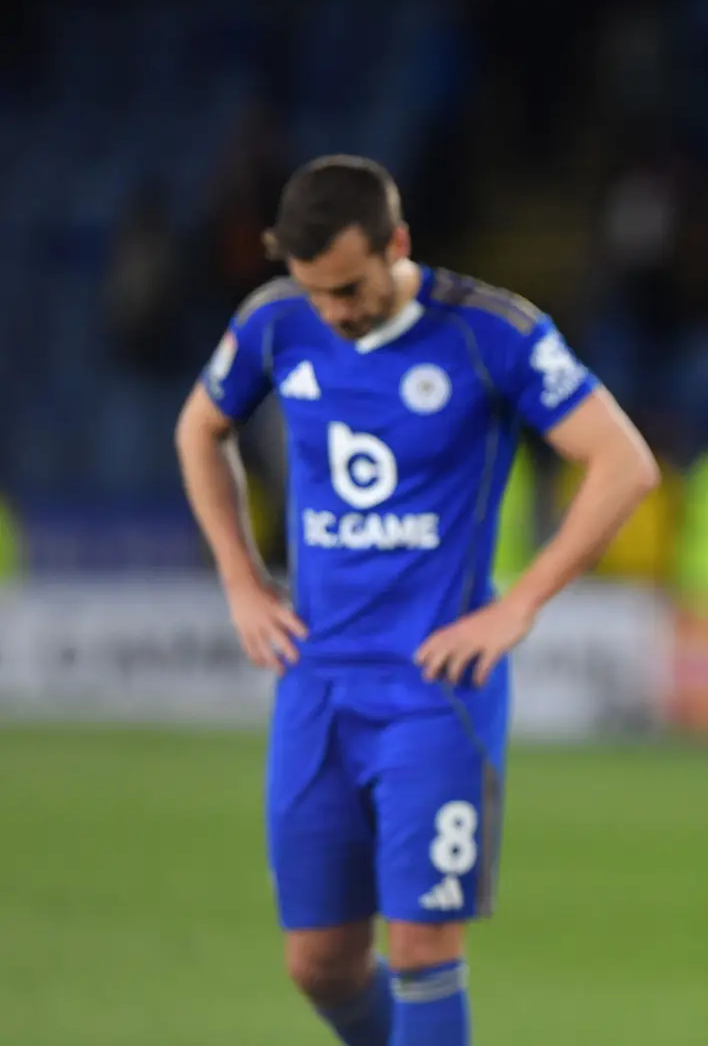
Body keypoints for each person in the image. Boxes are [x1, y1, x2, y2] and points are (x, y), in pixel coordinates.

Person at [175, 155, 659, 1046]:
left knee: (424, 945)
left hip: (434, 690)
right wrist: (242, 581)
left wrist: (519, 606)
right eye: (315, 290)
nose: (335, 311)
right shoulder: (275, 322)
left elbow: (623, 463)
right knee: (318, 963)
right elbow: (199, 429)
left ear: (397, 243)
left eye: (351, 286)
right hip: (315, 685)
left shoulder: (492, 331)